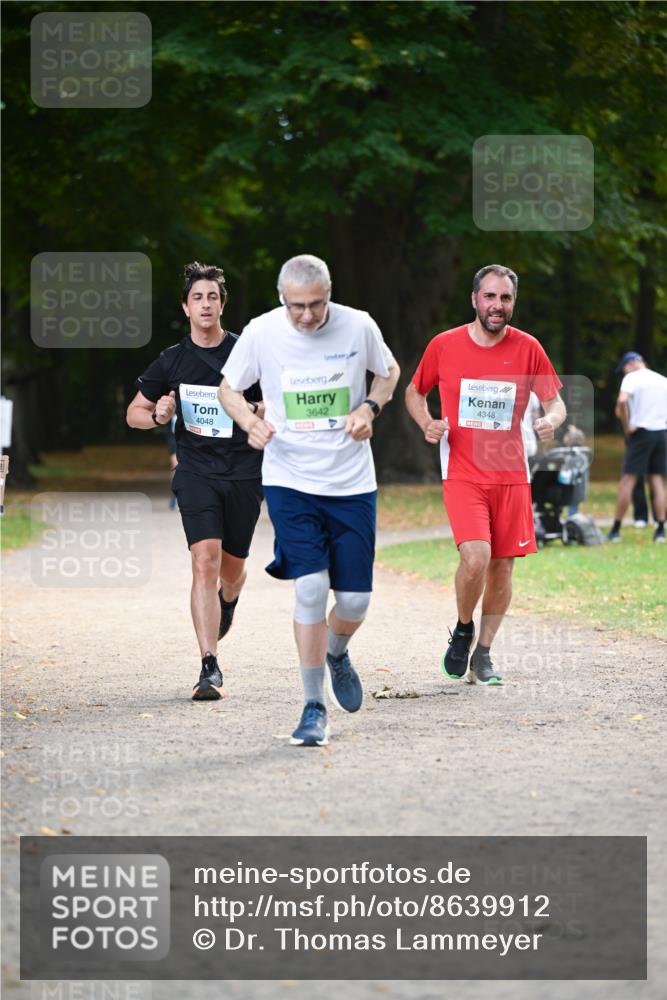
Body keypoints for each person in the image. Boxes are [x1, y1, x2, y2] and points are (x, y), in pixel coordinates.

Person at [218, 254, 400, 747]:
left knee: (356, 600)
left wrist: (369, 406)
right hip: (289, 478)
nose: (306, 316)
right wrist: (250, 422)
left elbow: (388, 371)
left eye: (315, 305)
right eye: (296, 306)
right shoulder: (261, 331)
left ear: (329, 293)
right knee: (311, 588)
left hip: (351, 482)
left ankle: (337, 651)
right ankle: (312, 705)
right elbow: (228, 390)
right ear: (282, 298)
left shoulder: (357, 325)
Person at [405, 264, 566, 685]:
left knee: (503, 568)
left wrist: (552, 420)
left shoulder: (528, 347)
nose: (498, 306)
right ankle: (463, 628)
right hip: (462, 471)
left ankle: (485, 654)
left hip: (512, 474)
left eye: (505, 298)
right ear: (474, 299)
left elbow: (555, 401)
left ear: (513, 302)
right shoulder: (444, 345)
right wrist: (427, 422)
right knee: (475, 556)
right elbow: (414, 391)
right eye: (490, 297)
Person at [127, 262, 264, 699]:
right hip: (196, 472)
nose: (205, 304)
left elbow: (278, 402)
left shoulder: (248, 354)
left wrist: (260, 413)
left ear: (223, 304)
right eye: (197, 298)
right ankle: (209, 666)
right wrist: (157, 416)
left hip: (244, 472)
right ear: (185, 307)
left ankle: (229, 600)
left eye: (213, 297)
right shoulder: (172, 360)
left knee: (233, 569)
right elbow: (134, 413)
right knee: (204, 558)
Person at [607, 352, 667, 543]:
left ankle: (615, 530)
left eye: (623, 369)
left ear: (631, 363)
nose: (623, 373)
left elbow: (622, 401)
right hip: (661, 433)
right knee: (657, 481)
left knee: (628, 481)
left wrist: (627, 427)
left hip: (640, 433)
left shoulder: (632, 378)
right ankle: (660, 530)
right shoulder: (662, 380)